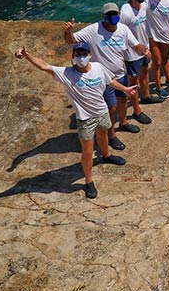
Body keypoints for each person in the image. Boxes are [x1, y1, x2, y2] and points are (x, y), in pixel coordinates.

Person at [14, 43, 135, 198]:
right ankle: (89, 181)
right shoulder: (66, 73)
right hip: (85, 119)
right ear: (73, 57)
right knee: (88, 151)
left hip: (102, 113)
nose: (81, 57)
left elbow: (111, 81)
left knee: (103, 135)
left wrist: (125, 89)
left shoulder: (98, 67)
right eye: (78, 54)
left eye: (84, 53)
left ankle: (107, 155)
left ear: (90, 55)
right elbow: (44, 66)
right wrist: (27, 55)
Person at [63, 3, 151, 151]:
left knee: (123, 101)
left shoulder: (123, 29)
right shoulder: (93, 30)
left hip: (120, 74)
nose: (113, 17)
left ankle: (123, 122)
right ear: (103, 17)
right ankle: (111, 135)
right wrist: (68, 31)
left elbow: (136, 45)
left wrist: (145, 51)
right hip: (103, 78)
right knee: (111, 108)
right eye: (109, 14)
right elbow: (71, 40)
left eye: (115, 13)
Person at [120, 0, 164, 116]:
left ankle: (146, 96)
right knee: (133, 83)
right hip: (132, 54)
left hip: (145, 49)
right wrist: (138, 49)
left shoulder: (144, 5)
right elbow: (121, 35)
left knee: (145, 73)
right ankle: (137, 111)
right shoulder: (125, 13)